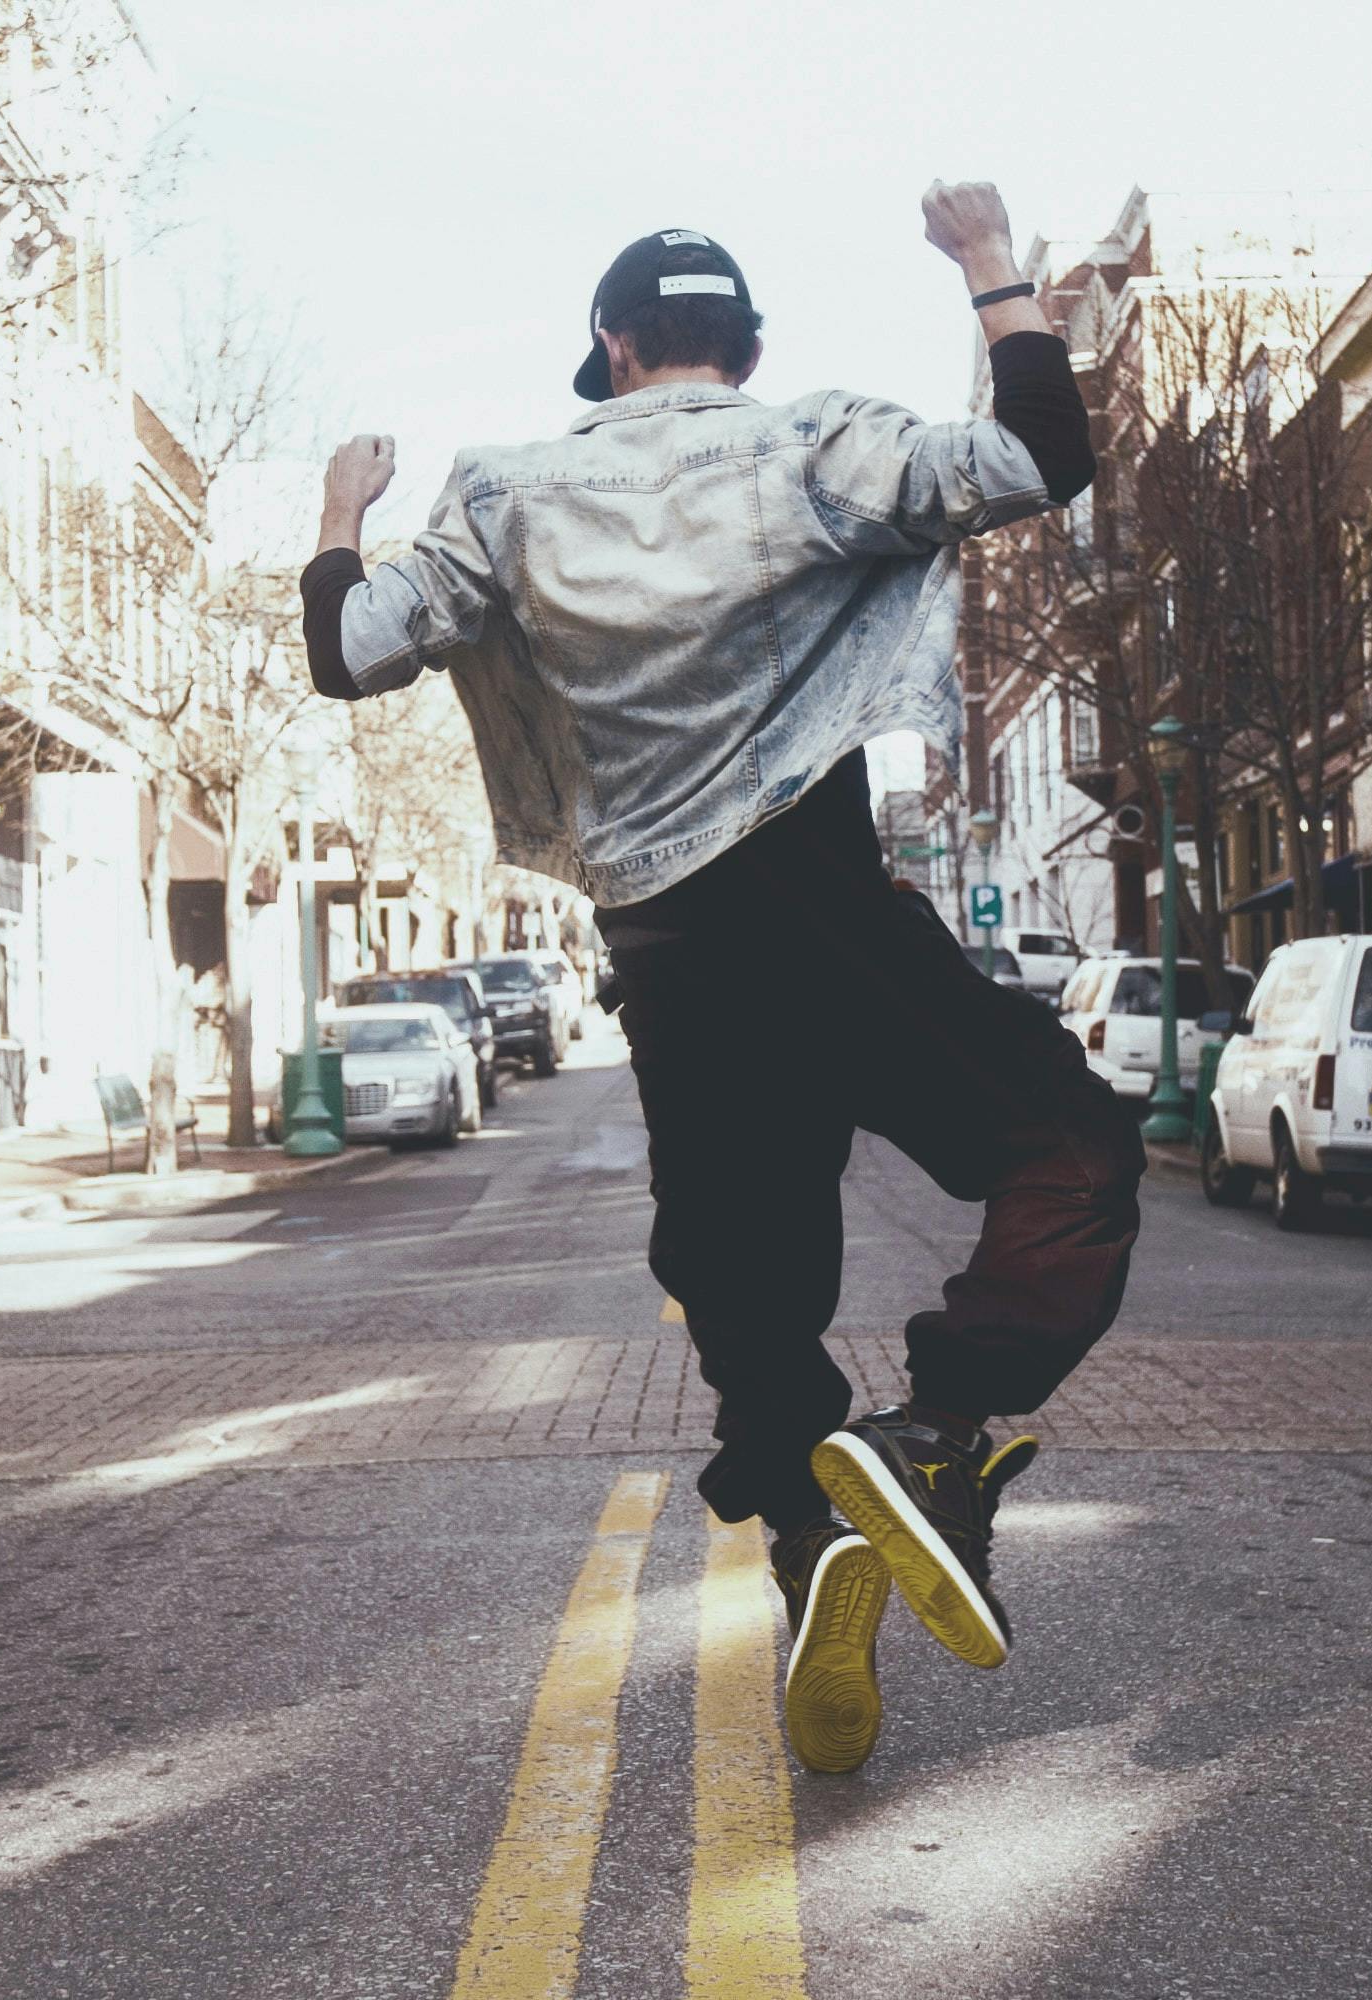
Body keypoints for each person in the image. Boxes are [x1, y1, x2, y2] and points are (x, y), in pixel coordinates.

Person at [300, 183, 1143, 1773]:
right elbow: (1043, 454)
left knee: (752, 1308)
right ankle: (938, 1430)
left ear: (611, 351)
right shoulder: (815, 443)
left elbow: (348, 653)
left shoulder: (506, 494)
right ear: (743, 348)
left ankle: (818, 1543)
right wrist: (987, 267)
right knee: (1072, 1151)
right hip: (823, 908)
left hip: (670, 961)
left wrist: (345, 509)